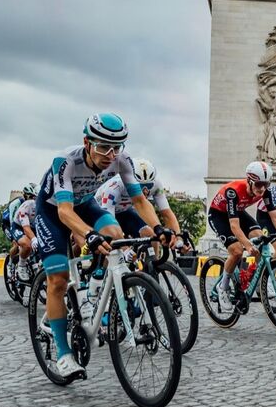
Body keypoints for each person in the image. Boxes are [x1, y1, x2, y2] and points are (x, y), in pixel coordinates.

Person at [33, 113, 163, 380]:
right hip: (53, 210)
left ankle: (94, 289)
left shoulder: (122, 160)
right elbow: (65, 212)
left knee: (115, 233)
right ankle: (63, 354)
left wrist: (159, 229)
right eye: (103, 147)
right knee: (58, 279)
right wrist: (88, 234)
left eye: (116, 147)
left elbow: (140, 202)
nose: (110, 155)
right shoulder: (66, 161)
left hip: (84, 204)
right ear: (87, 142)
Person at [206, 161, 276, 306]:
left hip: (238, 212)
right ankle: (222, 287)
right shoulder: (233, 191)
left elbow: (275, 216)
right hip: (219, 215)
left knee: (260, 238)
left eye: (266, 184)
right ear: (249, 181)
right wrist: (247, 245)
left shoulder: (265, 192)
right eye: (259, 184)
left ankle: (262, 281)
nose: (262, 189)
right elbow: (234, 226)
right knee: (237, 251)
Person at [96, 158, 185, 254]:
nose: (145, 191)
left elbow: (167, 213)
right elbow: (109, 224)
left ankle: (153, 262)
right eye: (140, 186)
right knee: (111, 247)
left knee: (151, 235)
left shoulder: (157, 184)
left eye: (149, 186)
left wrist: (179, 237)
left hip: (125, 212)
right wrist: (125, 250)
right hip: (101, 212)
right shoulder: (114, 187)